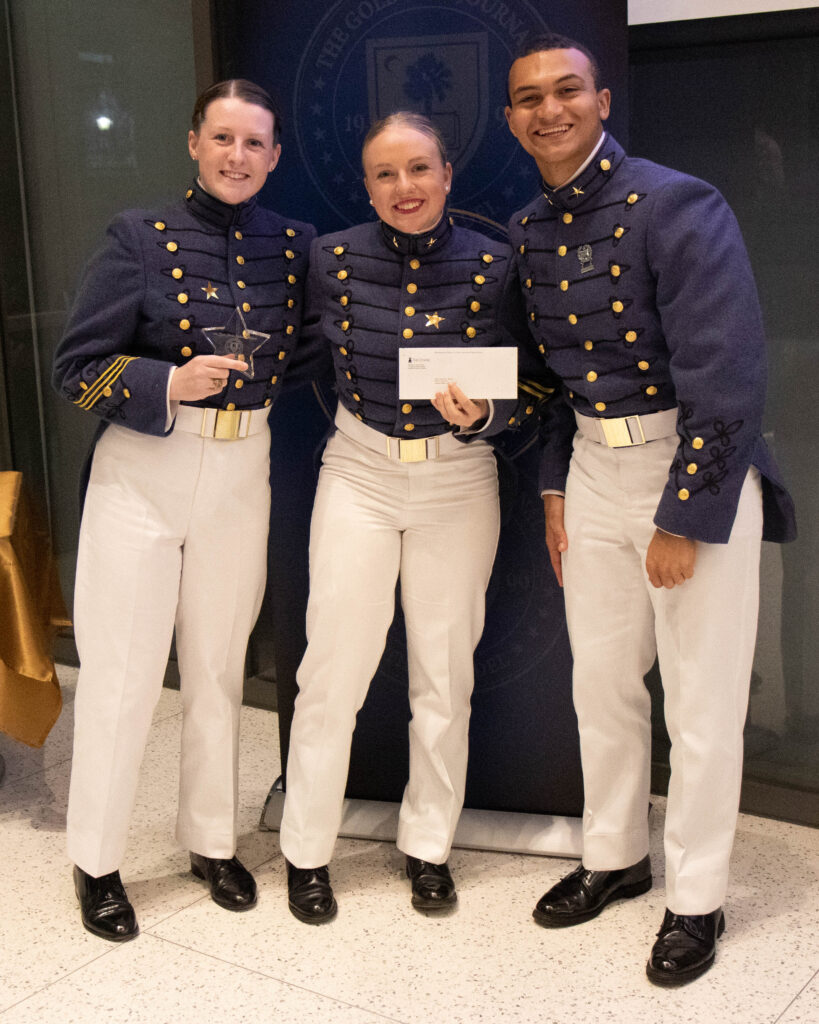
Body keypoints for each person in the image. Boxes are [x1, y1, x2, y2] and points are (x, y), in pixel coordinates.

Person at [504, 34, 796, 985]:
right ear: (510, 118)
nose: (548, 110)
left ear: (599, 101)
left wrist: (684, 515)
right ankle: (615, 856)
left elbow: (729, 376)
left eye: (565, 91)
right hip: (590, 469)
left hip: (687, 469)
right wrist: (554, 489)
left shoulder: (673, 203)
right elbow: (551, 383)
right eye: (528, 98)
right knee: (601, 683)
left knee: (703, 703)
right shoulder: (528, 230)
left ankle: (696, 897)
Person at [53, 79, 315, 941]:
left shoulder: (295, 246)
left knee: (217, 669)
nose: (238, 157)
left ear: (274, 157)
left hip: (245, 467)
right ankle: (96, 861)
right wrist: (168, 381)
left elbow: (321, 343)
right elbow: (76, 366)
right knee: (124, 677)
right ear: (194, 144)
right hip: (144, 472)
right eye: (223, 139)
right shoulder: (138, 236)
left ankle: (209, 842)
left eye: (255, 144)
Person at [278, 112, 544, 923]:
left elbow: (534, 384)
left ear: (447, 173)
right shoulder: (327, 259)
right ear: (366, 186)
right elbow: (296, 358)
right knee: (333, 668)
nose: (405, 188)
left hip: (459, 480)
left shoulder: (499, 263)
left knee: (443, 675)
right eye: (386, 174)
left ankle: (428, 848)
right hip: (357, 470)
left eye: (419, 169)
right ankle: (305, 852)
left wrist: (484, 417)